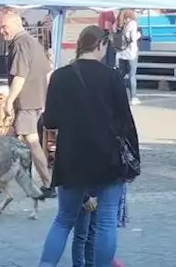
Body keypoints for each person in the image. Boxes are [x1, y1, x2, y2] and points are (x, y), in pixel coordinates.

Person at [38, 26, 138, 267]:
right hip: (107, 157)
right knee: (105, 221)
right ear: (101, 44)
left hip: (71, 156)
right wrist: (134, 159)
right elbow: (125, 119)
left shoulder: (60, 76)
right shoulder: (112, 76)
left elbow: (49, 121)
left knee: (63, 220)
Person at [1, 8, 53, 192]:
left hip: (26, 102)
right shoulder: (32, 42)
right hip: (34, 100)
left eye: (4, 26)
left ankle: (48, 183)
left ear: (16, 24)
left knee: (31, 142)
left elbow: (20, 76)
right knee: (9, 140)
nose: (2, 31)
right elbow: (48, 72)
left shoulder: (20, 43)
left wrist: (9, 100)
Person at [115, 10, 141, 104]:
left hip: (121, 53)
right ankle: (133, 97)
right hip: (131, 52)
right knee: (132, 75)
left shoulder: (118, 23)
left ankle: (117, 94)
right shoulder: (132, 23)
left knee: (121, 75)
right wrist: (139, 35)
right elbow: (133, 38)